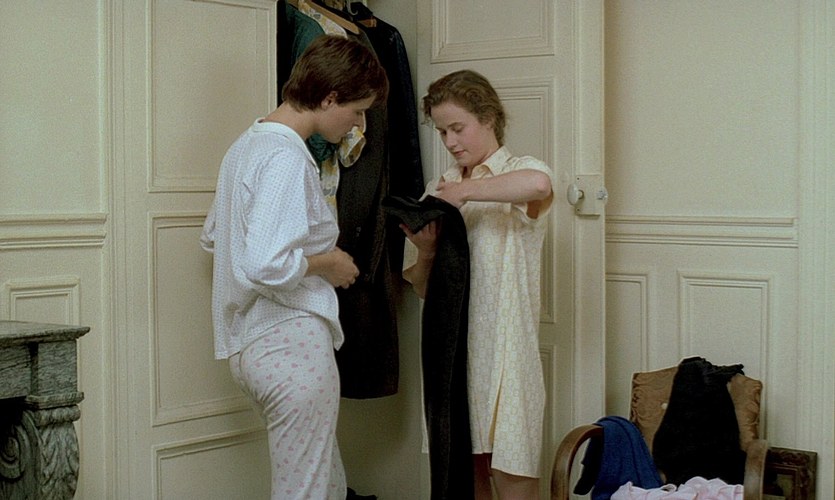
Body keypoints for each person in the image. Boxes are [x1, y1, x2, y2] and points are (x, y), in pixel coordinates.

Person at [200, 35, 388, 500]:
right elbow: (265, 264)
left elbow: (214, 236)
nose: (358, 124)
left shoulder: (247, 145)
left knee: (326, 485)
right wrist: (329, 263)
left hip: (251, 344)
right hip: (288, 344)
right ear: (329, 97)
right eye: (357, 111)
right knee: (305, 491)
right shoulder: (285, 157)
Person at [401, 69, 555, 500]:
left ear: (488, 118)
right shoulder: (439, 188)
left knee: (513, 466)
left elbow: (539, 185)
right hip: (455, 354)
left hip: (508, 352)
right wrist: (426, 251)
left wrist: (465, 192)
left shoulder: (521, 170)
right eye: (441, 132)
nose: (450, 142)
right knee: (465, 479)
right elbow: (423, 290)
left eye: (457, 128)